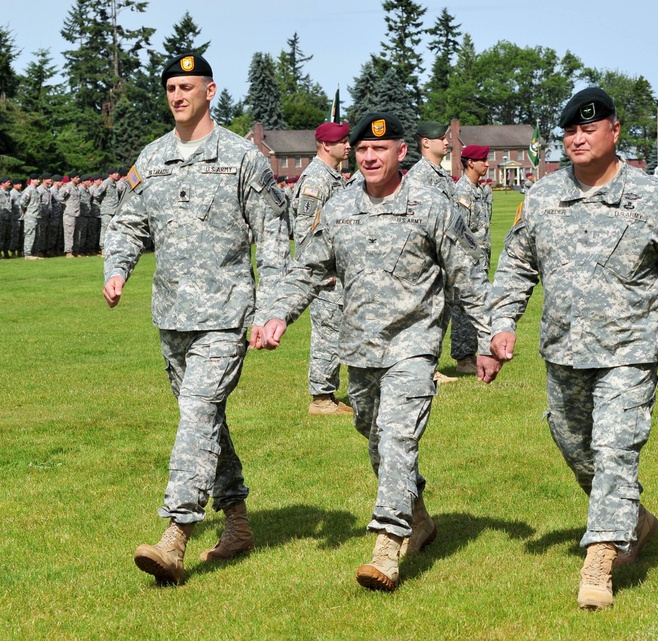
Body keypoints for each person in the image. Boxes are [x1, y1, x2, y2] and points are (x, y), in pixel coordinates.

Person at [483, 87, 658, 610]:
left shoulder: (651, 198)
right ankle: (634, 520)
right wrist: (501, 323)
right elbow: (516, 266)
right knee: (577, 448)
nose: (577, 139)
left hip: (628, 352)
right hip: (563, 350)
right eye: (569, 131)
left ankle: (600, 559)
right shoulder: (544, 197)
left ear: (614, 131)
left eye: (588, 129)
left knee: (616, 450)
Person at [260, 112, 494, 592]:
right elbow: (308, 268)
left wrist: (489, 339)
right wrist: (279, 313)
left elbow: (467, 276)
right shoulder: (341, 207)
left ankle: (387, 545)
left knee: (395, 439)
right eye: (362, 149)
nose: (369, 157)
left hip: (413, 345)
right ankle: (420, 516)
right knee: (373, 433)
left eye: (379, 150)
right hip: (360, 348)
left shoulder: (430, 205)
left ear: (400, 153)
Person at [102, 52, 289, 586]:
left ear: (210, 91)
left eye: (188, 86)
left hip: (225, 315)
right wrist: (118, 268)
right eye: (170, 88)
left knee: (197, 409)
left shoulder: (240, 158)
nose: (178, 96)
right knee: (203, 418)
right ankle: (237, 523)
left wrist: (272, 308)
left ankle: (175, 534)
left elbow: (273, 238)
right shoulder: (154, 158)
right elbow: (128, 223)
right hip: (171, 315)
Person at [288, 121, 353, 415]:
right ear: (326, 145)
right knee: (328, 333)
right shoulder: (316, 180)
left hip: (339, 272)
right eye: (343, 141)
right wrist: (320, 273)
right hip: (325, 274)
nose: (348, 146)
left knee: (340, 331)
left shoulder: (333, 177)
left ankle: (335, 394)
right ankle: (321, 398)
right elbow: (304, 233)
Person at [406, 120, 460, 384]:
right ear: (426, 142)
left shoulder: (439, 174)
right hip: (429, 258)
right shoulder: (420, 175)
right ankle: (425, 368)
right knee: (427, 314)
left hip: (444, 256)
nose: (447, 142)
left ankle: (432, 365)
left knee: (441, 313)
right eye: (442, 138)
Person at [450, 145, 492, 374]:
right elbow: (460, 230)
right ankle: (463, 357)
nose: (487, 164)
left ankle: (473, 353)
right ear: (470, 163)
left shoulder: (478, 190)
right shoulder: (463, 192)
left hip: (480, 260)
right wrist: (474, 256)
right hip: (467, 261)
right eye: (482, 160)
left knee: (478, 307)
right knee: (463, 310)